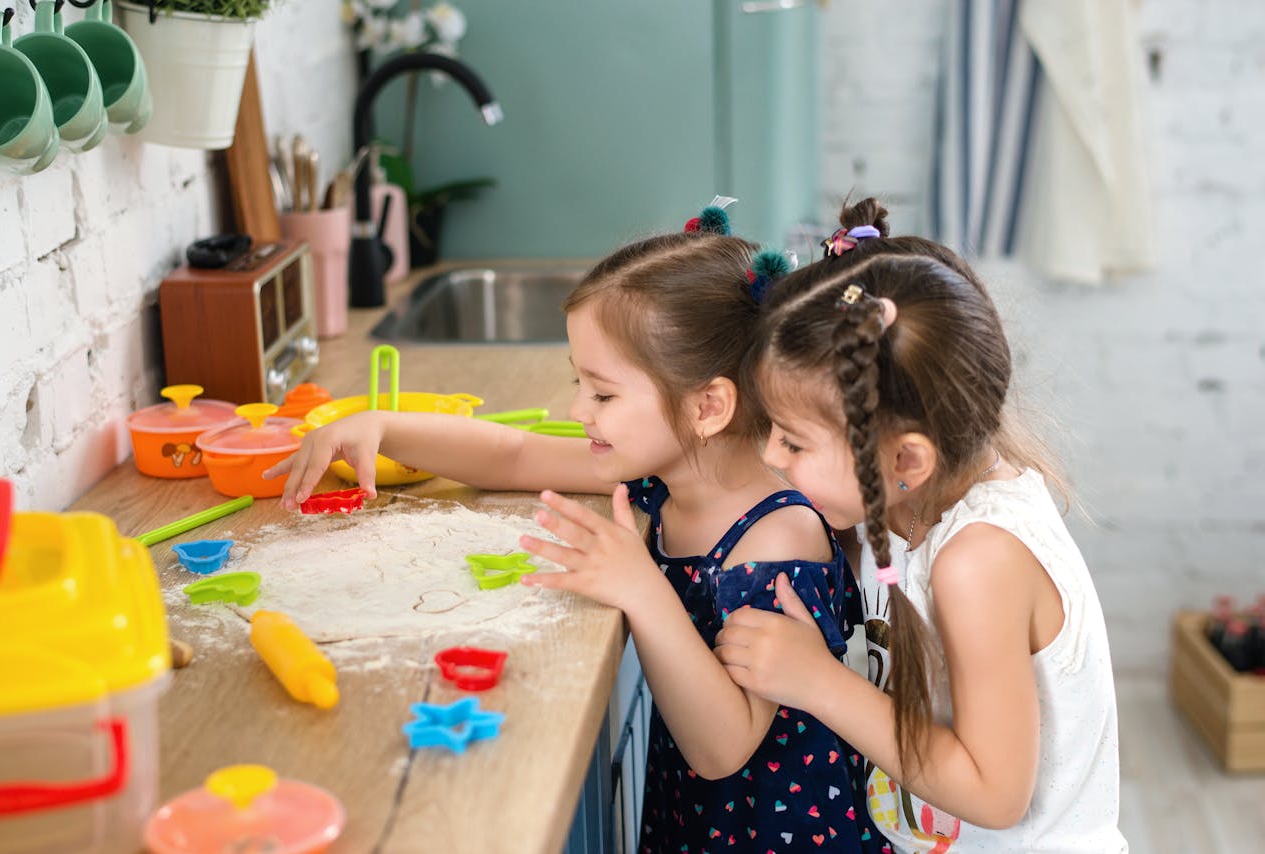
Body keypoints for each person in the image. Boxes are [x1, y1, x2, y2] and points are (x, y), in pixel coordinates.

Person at [266, 206, 886, 852]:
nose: (576, 410)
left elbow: (723, 748)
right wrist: (383, 426)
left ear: (708, 406)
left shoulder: (777, 539)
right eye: (578, 383)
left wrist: (641, 589)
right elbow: (514, 455)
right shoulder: (669, 477)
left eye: (602, 394)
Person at [715, 198, 1127, 852]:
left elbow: (995, 792)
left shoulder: (978, 561)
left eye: (792, 441)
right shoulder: (918, 496)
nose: (770, 456)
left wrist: (817, 681)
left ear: (906, 457)